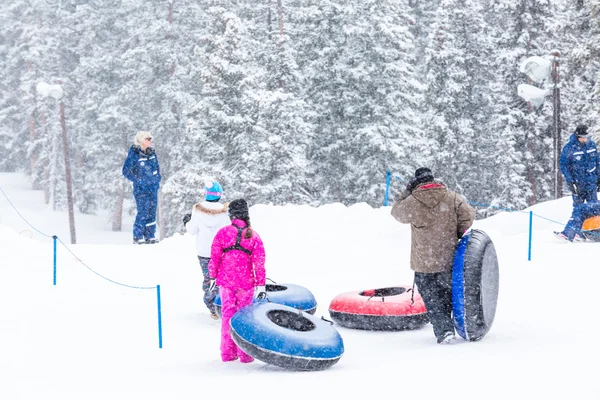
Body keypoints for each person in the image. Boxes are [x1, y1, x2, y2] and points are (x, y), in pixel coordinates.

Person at [391, 167, 475, 344]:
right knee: (448, 295)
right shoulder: (452, 198)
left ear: (417, 182)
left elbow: (396, 212)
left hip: (424, 263)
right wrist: (458, 233)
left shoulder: (412, 201)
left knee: (432, 299)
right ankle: (453, 324)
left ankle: (444, 331)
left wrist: (407, 191)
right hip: (449, 260)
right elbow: (468, 216)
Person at [208, 199, 266, 363]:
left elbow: (215, 257)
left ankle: (227, 353)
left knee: (228, 315)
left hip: (226, 281)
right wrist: (261, 284)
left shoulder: (223, 233)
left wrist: (212, 276)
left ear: (231, 214)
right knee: (244, 317)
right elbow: (259, 262)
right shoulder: (253, 235)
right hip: (246, 283)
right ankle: (245, 354)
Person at [183, 181, 230, 319]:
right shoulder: (225, 211)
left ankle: (211, 306)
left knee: (208, 278)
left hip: (204, 252)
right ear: (219, 194)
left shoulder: (198, 209)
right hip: (221, 252)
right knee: (222, 278)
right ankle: (223, 304)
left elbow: (192, 230)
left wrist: (187, 221)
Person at [122, 131, 162, 244]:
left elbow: (157, 168)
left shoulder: (152, 153)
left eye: (151, 138)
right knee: (143, 211)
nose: (150, 140)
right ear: (141, 140)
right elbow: (126, 171)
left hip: (153, 188)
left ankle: (150, 235)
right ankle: (138, 236)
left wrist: (157, 179)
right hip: (141, 189)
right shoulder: (134, 153)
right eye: (147, 139)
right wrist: (139, 180)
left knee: (152, 211)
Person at [559, 124, 600, 206]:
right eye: (582, 137)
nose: (585, 139)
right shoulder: (569, 148)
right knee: (578, 209)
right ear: (577, 136)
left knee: (594, 207)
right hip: (578, 184)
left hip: (591, 182)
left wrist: (599, 177)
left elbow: (597, 161)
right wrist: (570, 182)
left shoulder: (591, 145)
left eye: (586, 137)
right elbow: (564, 166)